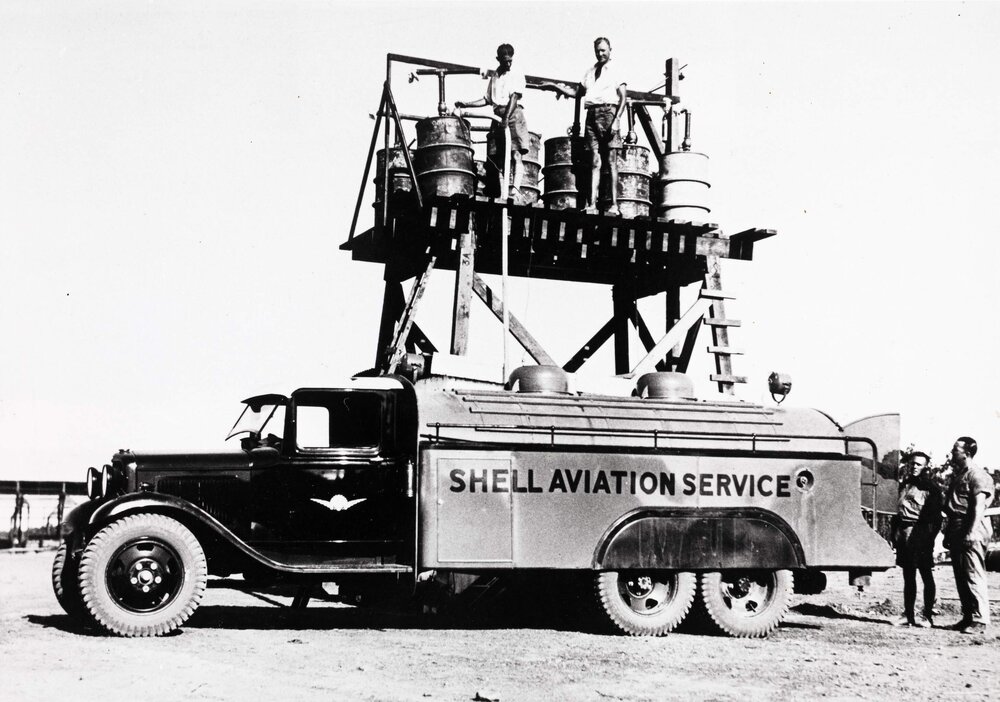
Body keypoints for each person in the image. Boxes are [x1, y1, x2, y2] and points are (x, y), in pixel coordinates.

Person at [539, 37, 628, 215]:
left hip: (609, 113)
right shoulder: (589, 72)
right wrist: (555, 86)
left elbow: (623, 98)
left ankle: (614, 205)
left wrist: (617, 119)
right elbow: (577, 93)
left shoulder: (616, 69)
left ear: (610, 49)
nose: (600, 53)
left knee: (611, 161)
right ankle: (592, 204)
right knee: (594, 161)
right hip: (591, 115)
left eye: (603, 50)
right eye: (597, 50)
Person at [455, 43, 530, 201]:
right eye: (505, 61)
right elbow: (487, 99)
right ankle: (502, 192)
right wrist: (466, 104)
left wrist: (506, 118)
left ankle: (515, 190)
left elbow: (514, 98)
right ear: (498, 59)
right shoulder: (495, 75)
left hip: (513, 115)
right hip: (498, 117)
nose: (508, 64)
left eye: (510, 60)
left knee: (516, 154)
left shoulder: (516, 73)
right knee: (499, 158)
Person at [942, 436, 993, 634]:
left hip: (972, 525)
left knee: (973, 573)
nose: (952, 452)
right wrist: (949, 534)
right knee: (961, 575)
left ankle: (981, 619)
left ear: (967, 453)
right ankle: (968, 616)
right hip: (957, 526)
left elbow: (978, 507)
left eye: (956, 449)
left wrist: (971, 532)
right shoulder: (959, 475)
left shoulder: (977, 475)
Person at [890, 450, 942, 627]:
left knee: (926, 574)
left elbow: (935, 519)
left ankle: (927, 615)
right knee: (908, 575)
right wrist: (894, 535)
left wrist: (927, 539)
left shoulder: (931, 488)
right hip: (903, 533)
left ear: (926, 466)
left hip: (920, 534)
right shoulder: (904, 485)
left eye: (919, 464)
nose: (914, 467)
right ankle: (908, 614)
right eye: (912, 463)